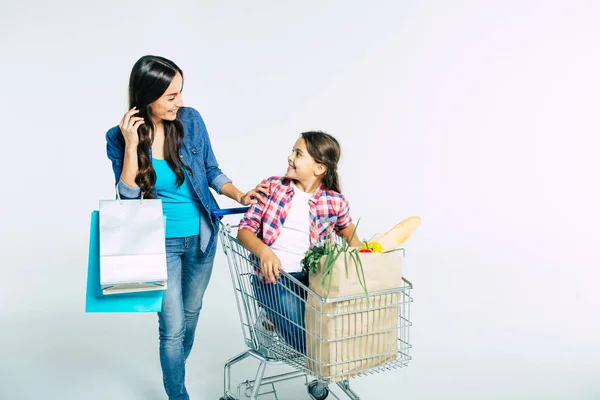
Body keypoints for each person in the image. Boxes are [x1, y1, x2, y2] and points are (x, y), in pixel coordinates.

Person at [105, 55, 267, 400]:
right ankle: (178, 394)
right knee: (172, 329)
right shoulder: (118, 137)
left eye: (180, 93)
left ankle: (175, 366)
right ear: (147, 96)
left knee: (190, 315)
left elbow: (210, 169)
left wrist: (239, 192)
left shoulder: (191, 121)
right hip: (158, 245)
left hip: (201, 239)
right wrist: (133, 146)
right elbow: (127, 198)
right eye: (170, 97)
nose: (179, 102)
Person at [237, 131, 361, 399]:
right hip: (274, 277)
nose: (290, 157)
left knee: (334, 328)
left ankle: (318, 361)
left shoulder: (334, 201)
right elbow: (244, 230)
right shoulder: (272, 187)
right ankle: (320, 364)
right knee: (303, 340)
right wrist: (264, 252)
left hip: (315, 278)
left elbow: (349, 233)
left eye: (298, 153)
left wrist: (366, 258)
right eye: (292, 151)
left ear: (319, 168)